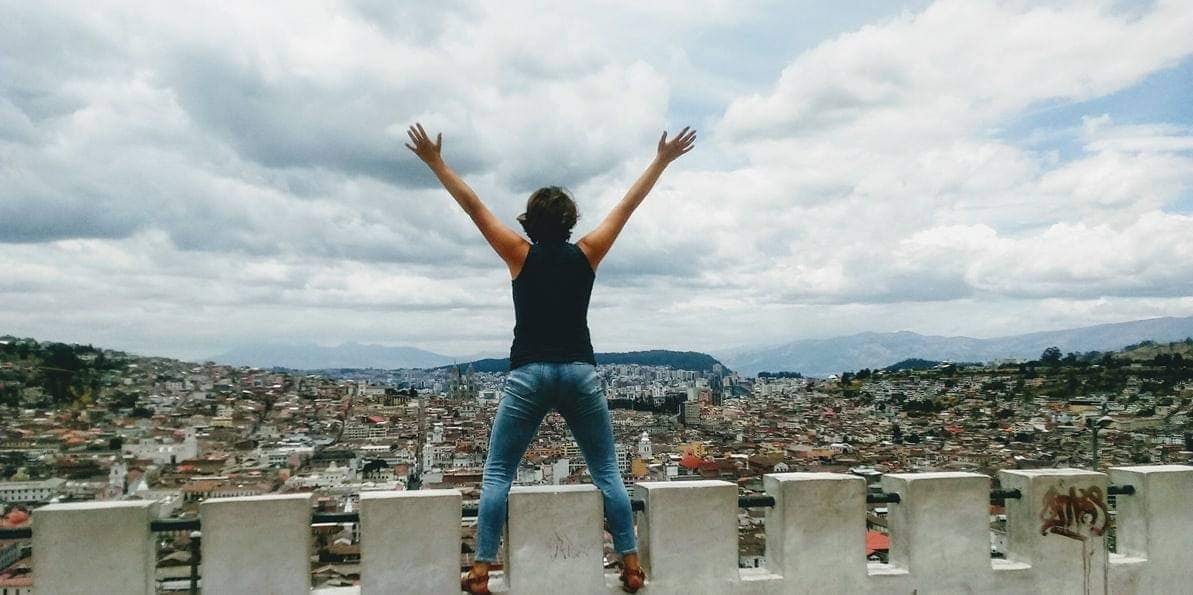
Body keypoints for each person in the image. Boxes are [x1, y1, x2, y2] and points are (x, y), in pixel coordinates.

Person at [406, 122, 696, 594]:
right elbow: (627, 206)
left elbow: (474, 206)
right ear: (570, 221)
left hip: (528, 374)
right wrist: (660, 161)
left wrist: (437, 163)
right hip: (581, 373)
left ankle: (481, 571)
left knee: (498, 472)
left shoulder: (519, 255)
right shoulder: (587, 253)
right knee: (607, 473)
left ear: (530, 221)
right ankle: (632, 566)